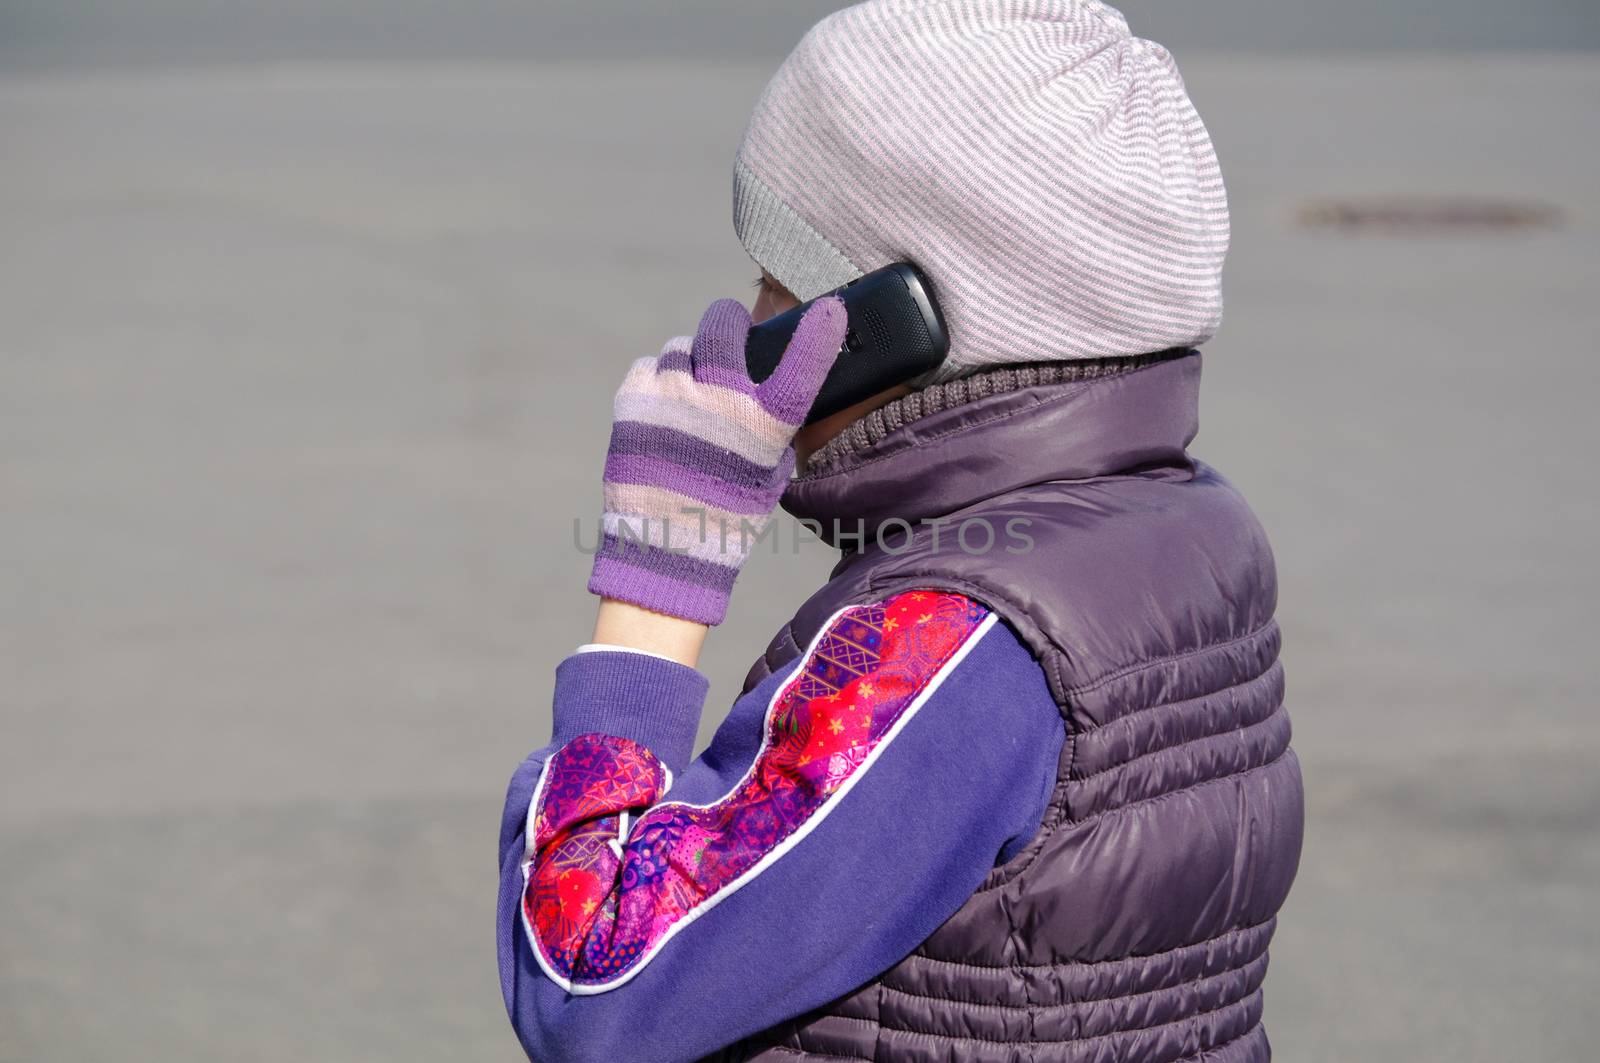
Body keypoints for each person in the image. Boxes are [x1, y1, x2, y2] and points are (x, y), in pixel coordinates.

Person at [496, 2, 1304, 1060]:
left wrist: (654, 584)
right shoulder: (1195, 520)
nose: (748, 318)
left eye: (776, 279)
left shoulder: (944, 638)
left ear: (895, 320)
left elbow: (591, 990)